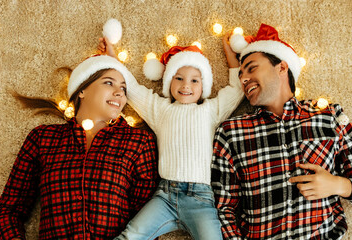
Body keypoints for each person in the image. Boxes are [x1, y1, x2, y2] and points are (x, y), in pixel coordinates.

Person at [211, 23, 352, 239]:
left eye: (251, 68)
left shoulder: (328, 117)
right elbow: (222, 209)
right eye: (240, 74)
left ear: (282, 67)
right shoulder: (231, 133)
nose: (243, 78)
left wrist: (337, 184)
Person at [0, 55, 159, 240]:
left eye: (124, 88)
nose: (120, 92)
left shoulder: (139, 142)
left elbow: (148, 223)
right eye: (109, 83)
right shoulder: (43, 139)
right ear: (82, 90)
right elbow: (8, 212)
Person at [98, 31, 244, 240]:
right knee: (130, 235)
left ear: (204, 86)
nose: (186, 85)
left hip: (200, 199)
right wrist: (112, 56)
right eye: (179, 78)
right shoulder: (160, 109)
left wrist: (230, 54)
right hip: (165, 196)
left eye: (194, 80)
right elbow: (132, 88)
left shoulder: (210, 110)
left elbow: (236, 88)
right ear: (169, 82)